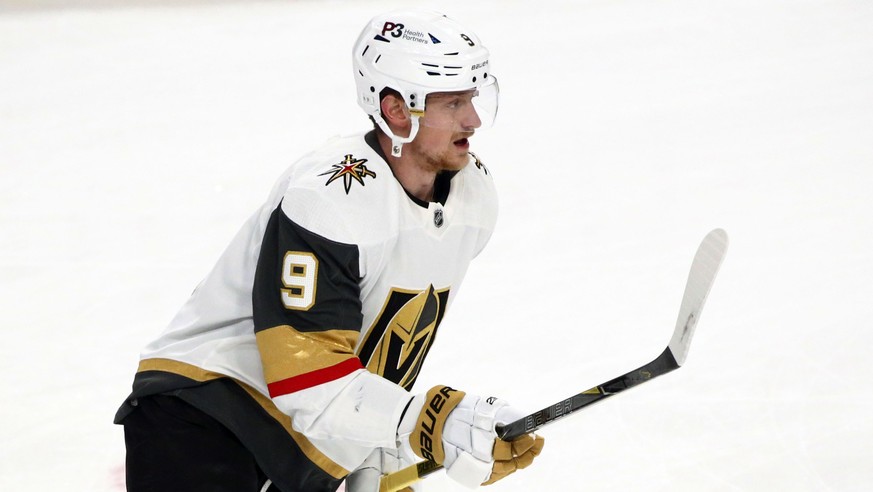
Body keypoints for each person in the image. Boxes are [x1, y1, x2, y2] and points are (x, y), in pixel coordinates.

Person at [114, 8, 544, 492]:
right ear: (397, 110)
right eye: (451, 103)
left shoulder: (472, 196)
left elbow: (378, 345)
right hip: (205, 414)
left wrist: (382, 457)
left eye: (472, 97)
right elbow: (305, 370)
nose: (474, 119)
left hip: (302, 440)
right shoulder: (330, 197)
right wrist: (430, 423)